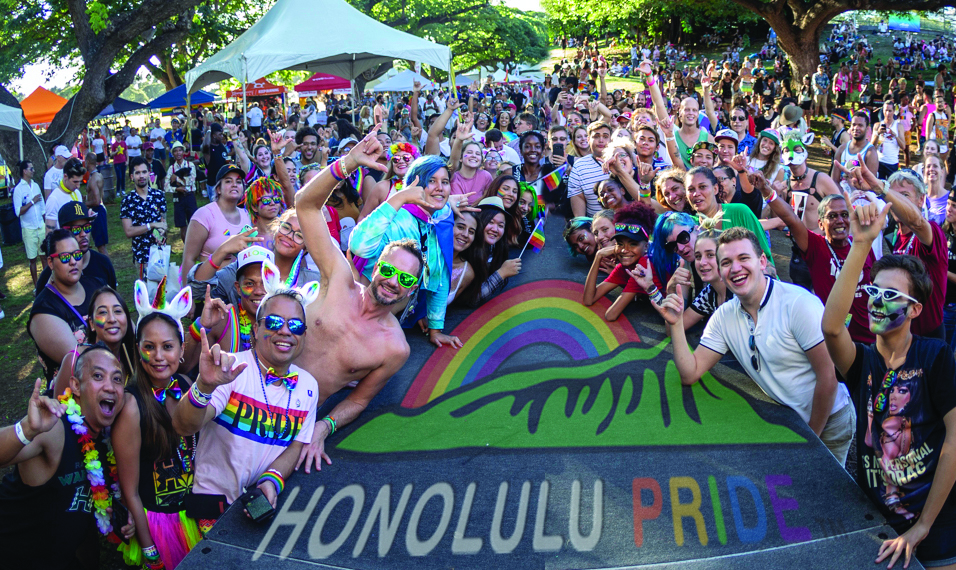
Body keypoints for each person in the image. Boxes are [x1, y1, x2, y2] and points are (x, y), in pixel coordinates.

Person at [821, 199, 956, 570]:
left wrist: (924, 525)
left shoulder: (935, 357)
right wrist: (861, 243)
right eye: (875, 291)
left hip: (937, 517)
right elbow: (832, 328)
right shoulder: (861, 361)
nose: (879, 301)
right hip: (876, 521)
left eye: (892, 295)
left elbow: (955, 439)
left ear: (915, 309)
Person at [660, 227, 855, 464]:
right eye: (727, 262)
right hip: (789, 423)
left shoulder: (798, 304)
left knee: (830, 497)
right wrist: (677, 324)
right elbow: (690, 373)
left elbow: (828, 376)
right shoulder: (723, 316)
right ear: (720, 271)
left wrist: (810, 440)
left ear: (762, 261)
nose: (735, 268)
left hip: (829, 421)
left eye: (743, 258)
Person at [293, 131, 425, 471]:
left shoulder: (395, 348)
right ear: (376, 264)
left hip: (295, 423)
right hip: (251, 388)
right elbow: (305, 205)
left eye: (407, 280)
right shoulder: (338, 279)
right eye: (389, 270)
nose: (394, 282)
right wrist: (348, 163)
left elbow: (360, 398)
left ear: (412, 291)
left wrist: (325, 426)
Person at [171, 264, 319, 531]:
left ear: (304, 336)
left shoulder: (308, 386)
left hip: (259, 508)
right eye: (274, 322)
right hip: (211, 508)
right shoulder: (229, 370)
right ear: (255, 329)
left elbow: (295, 446)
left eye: (295, 325)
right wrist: (204, 385)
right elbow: (183, 426)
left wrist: (272, 481)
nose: (285, 331)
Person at [0, 346, 134, 570]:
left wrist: (118, 516)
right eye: (98, 376)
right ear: (75, 386)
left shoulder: (107, 445)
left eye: (117, 379)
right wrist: (26, 429)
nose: (110, 386)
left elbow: (81, 521)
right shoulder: (55, 429)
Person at [113, 281, 200, 570]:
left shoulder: (188, 387)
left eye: (167, 347)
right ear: (138, 351)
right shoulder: (131, 405)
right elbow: (130, 490)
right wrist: (149, 546)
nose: (159, 356)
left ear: (181, 348)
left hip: (196, 513)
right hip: (158, 523)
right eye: (149, 347)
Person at [350, 152, 462, 348]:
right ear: (415, 186)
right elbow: (358, 246)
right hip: (356, 315)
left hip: (387, 322)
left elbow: (440, 277)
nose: (440, 188)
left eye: (445, 182)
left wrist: (436, 330)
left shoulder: (439, 221)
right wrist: (398, 198)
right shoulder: (397, 219)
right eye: (431, 181)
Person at [855, 164, 948, 339]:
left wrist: (880, 188)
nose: (896, 202)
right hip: (899, 335)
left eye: (904, 196)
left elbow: (916, 222)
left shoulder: (931, 232)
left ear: (921, 200)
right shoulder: (895, 235)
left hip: (928, 338)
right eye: (893, 196)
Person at [28, 230, 91, 384]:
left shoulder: (96, 285)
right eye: (64, 257)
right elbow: (79, 360)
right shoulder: (44, 309)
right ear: (50, 263)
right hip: (70, 399)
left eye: (76, 255)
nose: (73, 261)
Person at [181, 164, 252, 290]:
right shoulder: (204, 215)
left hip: (237, 290)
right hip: (209, 288)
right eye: (228, 181)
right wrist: (188, 297)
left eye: (239, 182)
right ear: (218, 189)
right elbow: (188, 258)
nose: (234, 184)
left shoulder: (246, 215)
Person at [582, 202, 657, 321]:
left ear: (646, 247)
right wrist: (598, 256)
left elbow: (611, 315)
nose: (625, 250)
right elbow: (588, 300)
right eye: (620, 244)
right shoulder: (623, 267)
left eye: (633, 244)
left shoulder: (644, 264)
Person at [35, 202, 117, 294]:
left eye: (86, 227)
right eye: (76, 229)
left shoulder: (103, 263)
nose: (83, 234)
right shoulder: (50, 274)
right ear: (64, 231)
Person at [121, 157, 169, 276]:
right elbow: (128, 231)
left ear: (149, 173)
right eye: (137, 173)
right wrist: (151, 225)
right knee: (146, 293)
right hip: (142, 257)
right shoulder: (128, 201)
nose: (141, 176)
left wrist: (161, 233)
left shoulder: (158, 196)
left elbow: (163, 223)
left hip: (160, 254)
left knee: (163, 292)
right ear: (132, 176)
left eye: (144, 172)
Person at [568, 122, 612, 216]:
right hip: (594, 226)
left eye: (605, 136)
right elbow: (579, 216)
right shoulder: (579, 167)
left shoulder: (622, 161)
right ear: (588, 140)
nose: (601, 140)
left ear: (611, 140)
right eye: (596, 136)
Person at [13, 160, 46, 286]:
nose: (33, 171)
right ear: (24, 171)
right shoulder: (18, 190)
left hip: (40, 225)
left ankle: (45, 283)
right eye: (31, 169)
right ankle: (37, 286)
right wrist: (32, 202)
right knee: (32, 259)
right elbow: (18, 212)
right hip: (28, 228)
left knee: (44, 256)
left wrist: (46, 222)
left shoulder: (36, 185)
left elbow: (42, 206)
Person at [44, 158, 84, 232]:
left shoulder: (77, 193)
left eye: (80, 182)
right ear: (65, 176)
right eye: (75, 182)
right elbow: (49, 233)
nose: (78, 186)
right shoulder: (54, 199)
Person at [82, 152, 108, 256]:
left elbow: (97, 201)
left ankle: (108, 270)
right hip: (99, 210)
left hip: (97, 211)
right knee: (99, 245)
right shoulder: (98, 175)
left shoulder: (93, 179)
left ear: (88, 162)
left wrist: (84, 204)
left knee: (101, 247)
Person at [202, 123, 232, 202]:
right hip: (213, 183)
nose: (222, 136)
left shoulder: (221, 146)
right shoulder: (208, 148)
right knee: (215, 208)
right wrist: (209, 131)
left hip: (223, 182)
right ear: (214, 135)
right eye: (220, 134)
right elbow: (204, 145)